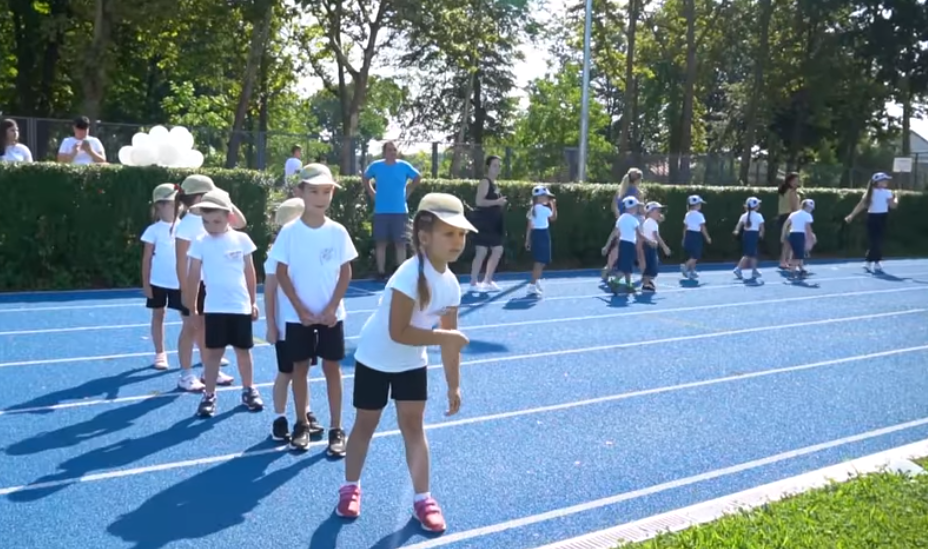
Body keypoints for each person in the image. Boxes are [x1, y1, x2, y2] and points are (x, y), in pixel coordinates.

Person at [335, 192, 473, 533]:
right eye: (449, 233)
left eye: (462, 234)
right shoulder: (407, 276)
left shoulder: (452, 285)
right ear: (424, 237)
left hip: (412, 362)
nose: (458, 241)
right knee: (366, 424)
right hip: (375, 359)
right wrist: (445, 339)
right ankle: (350, 487)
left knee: (413, 427)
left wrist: (454, 383)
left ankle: (423, 498)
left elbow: (449, 339)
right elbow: (398, 332)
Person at [271, 163, 357, 455]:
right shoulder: (290, 232)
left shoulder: (338, 231)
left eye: (326, 191)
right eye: (314, 191)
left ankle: (336, 428)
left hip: (331, 317)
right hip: (299, 317)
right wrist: (300, 309)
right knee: (300, 369)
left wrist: (331, 308)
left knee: (333, 369)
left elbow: (346, 272)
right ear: (300, 192)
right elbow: (281, 272)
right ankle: (300, 424)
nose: (321, 197)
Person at [183, 190, 264, 417]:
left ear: (229, 217)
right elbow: (193, 277)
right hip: (214, 309)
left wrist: (252, 302)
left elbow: (250, 273)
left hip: (239, 307)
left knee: (243, 352)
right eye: (206, 221)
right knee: (213, 354)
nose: (211, 226)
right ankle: (209, 395)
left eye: (216, 221)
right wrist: (193, 309)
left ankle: (249, 389)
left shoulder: (242, 239)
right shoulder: (200, 242)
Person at [172, 175, 248, 392]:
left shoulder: (219, 217)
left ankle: (208, 369)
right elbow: (180, 260)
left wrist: (224, 200)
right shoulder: (188, 223)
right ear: (199, 197)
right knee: (190, 328)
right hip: (192, 284)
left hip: (211, 284)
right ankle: (186, 374)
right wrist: (186, 292)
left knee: (206, 328)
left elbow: (240, 222)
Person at [263, 197, 325, 442]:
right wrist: (271, 325)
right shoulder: (276, 257)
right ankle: (280, 417)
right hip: (286, 326)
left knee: (302, 373)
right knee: (286, 372)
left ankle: (305, 412)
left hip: (306, 324)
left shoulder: (308, 251)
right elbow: (269, 292)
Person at [362, 141, 422, 279]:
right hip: (381, 211)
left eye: (394, 150)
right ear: (384, 152)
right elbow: (365, 178)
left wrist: (409, 190)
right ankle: (381, 272)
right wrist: (371, 192)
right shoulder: (376, 166)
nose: (393, 152)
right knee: (381, 242)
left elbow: (417, 177)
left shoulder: (404, 166)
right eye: (390, 150)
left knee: (400, 243)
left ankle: (400, 273)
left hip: (400, 211)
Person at [141, 183, 184, 370]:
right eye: (171, 202)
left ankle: (203, 349)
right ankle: (160, 353)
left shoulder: (187, 228)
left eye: (178, 201)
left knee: (190, 317)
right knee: (158, 314)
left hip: (181, 282)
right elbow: (146, 259)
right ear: (159, 205)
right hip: (158, 282)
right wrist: (146, 284)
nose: (177, 205)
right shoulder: (153, 230)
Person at [844, 172, 899, 273]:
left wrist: (895, 198)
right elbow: (861, 205)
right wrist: (851, 215)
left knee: (878, 241)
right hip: (873, 217)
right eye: (884, 180)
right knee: (875, 241)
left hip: (882, 217)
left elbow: (893, 206)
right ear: (877, 182)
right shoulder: (871, 193)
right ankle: (873, 261)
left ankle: (873, 261)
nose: (886, 182)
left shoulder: (887, 192)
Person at [468, 155, 507, 292]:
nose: (497, 168)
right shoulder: (485, 182)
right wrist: (497, 202)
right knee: (482, 251)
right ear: (488, 167)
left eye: (499, 166)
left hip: (494, 222)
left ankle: (487, 280)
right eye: (494, 165)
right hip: (483, 221)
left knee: (497, 249)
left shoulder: (495, 184)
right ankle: (473, 283)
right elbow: (479, 202)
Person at [603, 196, 641, 293]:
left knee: (626, 265)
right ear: (631, 208)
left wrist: (607, 246)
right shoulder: (634, 220)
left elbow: (614, 233)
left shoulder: (621, 219)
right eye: (636, 206)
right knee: (625, 267)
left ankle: (628, 284)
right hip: (630, 245)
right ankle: (615, 281)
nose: (637, 208)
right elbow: (639, 234)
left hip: (621, 244)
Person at [525, 185, 557, 296]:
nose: (548, 199)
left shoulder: (532, 210)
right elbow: (553, 218)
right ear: (539, 198)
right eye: (546, 197)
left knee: (540, 261)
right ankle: (532, 284)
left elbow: (529, 226)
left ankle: (536, 280)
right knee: (540, 262)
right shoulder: (544, 209)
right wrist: (553, 205)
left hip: (536, 235)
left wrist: (528, 240)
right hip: (542, 235)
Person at [640, 201, 671, 291]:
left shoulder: (651, 221)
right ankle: (646, 283)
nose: (659, 213)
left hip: (649, 246)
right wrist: (664, 247)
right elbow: (656, 236)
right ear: (651, 212)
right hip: (649, 246)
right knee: (651, 265)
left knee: (652, 264)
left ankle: (647, 281)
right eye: (657, 211)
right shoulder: (651, 222)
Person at [782, 199, 817, 279]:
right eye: (810, 208)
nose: (811, 210)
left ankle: (801, 269)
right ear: (807, 207)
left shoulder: (794, 214)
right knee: (798, 255)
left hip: (792, 234)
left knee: (797, 253)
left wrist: (783, 234)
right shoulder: (808, 216)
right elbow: (807, 228)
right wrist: (811, 237)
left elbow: (786, 224)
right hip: (800, 235)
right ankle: (793, 271)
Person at [732, 197, 765, 280]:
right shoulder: (759, 215)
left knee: (753, 254)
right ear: (756, 206)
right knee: (748, 254)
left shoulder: (744, 215)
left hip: (746, 235)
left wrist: (736, 231)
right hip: (753, 235)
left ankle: (754, 271)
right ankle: (738, 269)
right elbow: (762, 227)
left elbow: (739, 225)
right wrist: (761, 234)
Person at [681, 195, 712, 279]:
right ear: (696, 205)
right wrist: (707, 237)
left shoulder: (687, 214)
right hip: (696, 236)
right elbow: (702, 227)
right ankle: (686, 266)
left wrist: (684, 238)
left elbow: (685, 227)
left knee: (692, 254)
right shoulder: (700, 215)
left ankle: (692, 271)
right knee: (696, 255)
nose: (700, 206)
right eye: (699, 204)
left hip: (688, 235)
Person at [776, 173, 801, 269]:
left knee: (788, 240)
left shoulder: (783, 191)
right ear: (790, 181)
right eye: (795, 181)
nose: (797, 183)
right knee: (789, 241)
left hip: (783, 215)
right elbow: (794, 207)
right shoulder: (791, 192)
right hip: (790, 216)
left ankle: (788, 261)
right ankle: (784, 261)